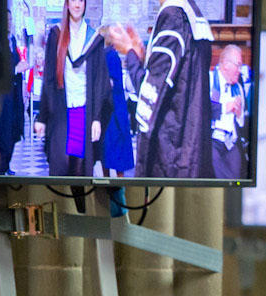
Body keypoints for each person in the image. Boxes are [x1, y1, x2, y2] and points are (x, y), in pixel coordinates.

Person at [108, 0, 213, 178]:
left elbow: (150, 94)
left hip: (170, 154)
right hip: (191, 149)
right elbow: (176, 83)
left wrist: (130, 53)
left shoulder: (172, 18)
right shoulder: (193, 15)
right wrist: (142, 58)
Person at [34, 0, 111, 177]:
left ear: (85, 4)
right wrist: (42, 117)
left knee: (79, 171)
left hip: (83, 113)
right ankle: (61, 206)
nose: (77, 5)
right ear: (67, 4)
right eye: (73, 0)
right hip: (62, 113)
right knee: (61, 167)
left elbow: (101, 81)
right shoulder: (57, 35)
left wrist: (97, 118)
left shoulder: (93, 38)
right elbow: (49, 79)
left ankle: (80, 206)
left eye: (81, 1)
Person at [0, 10, 27, 176]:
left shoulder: (11, 40)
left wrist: (22, 64)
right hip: (1, 96)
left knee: (14, 129)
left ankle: (7, 165)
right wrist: (14, 69)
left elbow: (16, 62)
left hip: (15, 92)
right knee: (2, 132)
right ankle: (0, 168)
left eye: (10, 19)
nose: (9, 22)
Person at [209, 44, 249, 179]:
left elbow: (241, 121)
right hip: (212, 140)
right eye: (238, 65)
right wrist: (227, 106)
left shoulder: (238, 88)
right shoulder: (208, 80)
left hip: (231, 142)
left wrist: (238, 112)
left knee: (235, 180)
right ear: (225, 64)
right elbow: (200, 112)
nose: (240, 70)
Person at [102, 48, 134, 177]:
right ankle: (118, 188)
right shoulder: (111, 55)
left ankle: (113, 187)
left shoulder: (109, 56)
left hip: (111, 110)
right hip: (115, 109)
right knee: (115, 153)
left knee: (110, 152)